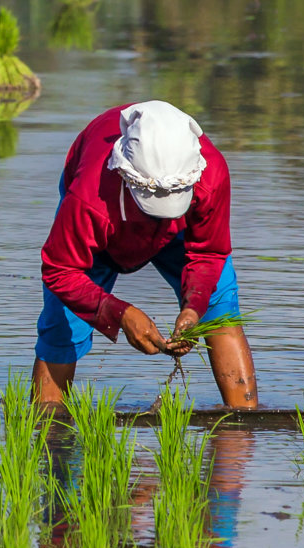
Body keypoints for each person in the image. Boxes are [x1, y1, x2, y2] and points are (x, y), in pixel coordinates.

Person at [35, 100, 258, 409]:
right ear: (128, 176)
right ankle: (48, 434)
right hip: (108, 219)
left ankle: (242, 430)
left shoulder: (212, 172)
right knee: (63, 325)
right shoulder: (89, 197)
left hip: (180, 230)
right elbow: (60, 269)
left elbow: (209, 252)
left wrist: (194, 309)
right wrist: (120, 313)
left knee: (219, 307)